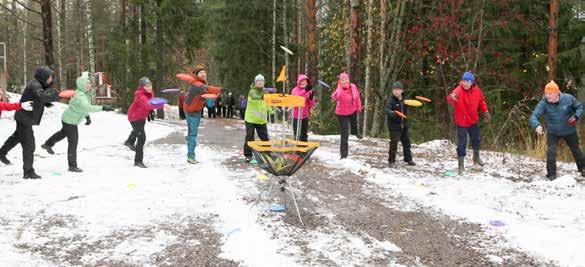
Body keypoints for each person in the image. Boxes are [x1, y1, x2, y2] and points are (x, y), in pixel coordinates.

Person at [41, 72, 115, 172]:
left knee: (63, 133)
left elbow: (81, 108)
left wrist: (87, 116)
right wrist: (103, 107)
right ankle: (72, 165)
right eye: (87, 83)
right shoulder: (81, 96)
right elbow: (87, 107)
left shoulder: (84, 93)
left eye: (89, 83)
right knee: (73, 142)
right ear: (82, 85)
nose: (89, 85)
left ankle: (48, 144)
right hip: (70, 120)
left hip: (69, 118)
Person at [0, 66, 59, 179]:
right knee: (29, 145)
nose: (51, 79)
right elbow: (41, 96)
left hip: (24, 117)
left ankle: (1, 153)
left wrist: (46, 103)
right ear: (44, 77)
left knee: (17, 137)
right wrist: (56, 95)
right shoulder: (35, 85)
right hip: (24, 118)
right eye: (50, 77)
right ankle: (28, 171)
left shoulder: (39, 84)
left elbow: (36, 98)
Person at [529, 81, 585, 180]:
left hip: (569, 130)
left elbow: (580, 107)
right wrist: (537, 125)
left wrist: (576, 117)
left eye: (549, 93)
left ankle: (583, 169)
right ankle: (551, 175)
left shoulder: (568, 98)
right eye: (546, 93)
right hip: (553, 132)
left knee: (576, 150)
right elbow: (533, 116)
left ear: (556, 93)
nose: (547, 96)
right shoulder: (544, 103)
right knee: (551, 151)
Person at [446, 71, 490, 175]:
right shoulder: (459, 90)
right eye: (463, 81)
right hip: (462, 121)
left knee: (476, 139)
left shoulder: (477, 91)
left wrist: (486, 112)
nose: (464, 83)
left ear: (472, 82)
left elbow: (481, 101)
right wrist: (452, 97)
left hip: (472, 120)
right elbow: (450, 98)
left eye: (467, 81)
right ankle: (460, 166)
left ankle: (476, 157)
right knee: (462, 143)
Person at [124, 77, 168, 168]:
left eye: (150, 85)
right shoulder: (140, 96)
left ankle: (129, 141)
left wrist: (150, 112)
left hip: (141, 117)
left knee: (138, 131)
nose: (149, 87)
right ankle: (138, 161)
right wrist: (162, 105)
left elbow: (151, 101)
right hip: (134, 117)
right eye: (146, 86)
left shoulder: (149, 93)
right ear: (141, 87)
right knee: (142, 137)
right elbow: (148, 105)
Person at [182, 64, 222, 164]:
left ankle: (190, 137)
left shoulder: (203, 84)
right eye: (201, 73)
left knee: (192, 130)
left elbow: (207, 100)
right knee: (193, 133)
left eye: (204, 72)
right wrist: (220, 90)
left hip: (197, 110)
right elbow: (208, 89)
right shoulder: (196, 84)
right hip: (190, 111)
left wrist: (212, 98)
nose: (203, 74)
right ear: (196, 75)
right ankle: (190, 156)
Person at [331, 72, 362, 159]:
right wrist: (335, 96)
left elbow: (357, 98)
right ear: (340, 81)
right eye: (343, 80)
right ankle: (343, 154)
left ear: (348, 79)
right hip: (342, 113)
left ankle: (355, 132)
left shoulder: (353, 86)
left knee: (354, 124)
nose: (345, 81)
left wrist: (358, 107)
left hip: (352, 110)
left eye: (346, 79)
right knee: (345, 133)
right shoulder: (339, 90)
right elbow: (335, 97)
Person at [385, 81, 415, 167]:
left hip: (404, 125)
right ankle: (391, 161)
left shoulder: (405, 100)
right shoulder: (391, 100)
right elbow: (387, 109)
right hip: (394, 126)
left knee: (407, 143)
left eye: (398, 90)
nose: (396, 92)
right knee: (394, 143)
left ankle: (408, 159)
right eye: (394, 90)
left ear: (401, 91)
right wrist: (391, 113)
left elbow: (411, 105)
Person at [243, 74, 270, 162]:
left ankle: (267, 153)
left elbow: (268, 102)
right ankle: (248, 155)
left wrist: (271, 110)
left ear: (264, 82)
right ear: (255, 82)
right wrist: (262, 96)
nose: (260, 82)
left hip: (261, 119)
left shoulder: (265, 92)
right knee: (250, 136)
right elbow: (255, 97)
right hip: (250, 118)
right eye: (258, 81)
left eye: (262, 81)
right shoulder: (252, 91)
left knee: (264, 137)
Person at [291, 74, 316, 141]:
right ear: (298, 82)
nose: (303, 83)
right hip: (296, 116)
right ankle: (297, 149)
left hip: (305, 116)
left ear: (307, 83)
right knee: (297, 134)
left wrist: (311, 98)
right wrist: (305, 90)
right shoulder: (295, 90)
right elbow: (297, 98)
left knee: (304, 134)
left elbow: (311, 105)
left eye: (304, 81)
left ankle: (304, 149)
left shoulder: (308, 91)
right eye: (301, 81)